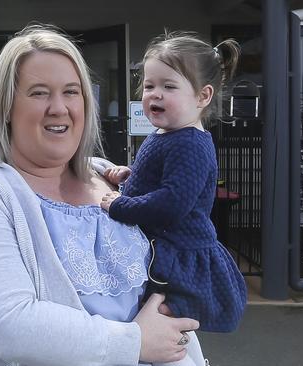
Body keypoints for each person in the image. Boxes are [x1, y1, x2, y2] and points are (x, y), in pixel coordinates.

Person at [0, 25, 207, 366]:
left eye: (71, 91)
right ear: (5, 107)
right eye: (38, 93)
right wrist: (133, 343)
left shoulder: (111, 176)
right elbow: (7, 323)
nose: (59, 107)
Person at [100, 31, 247, 333]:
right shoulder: (169, 134)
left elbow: (171, 204)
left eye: (169, 86)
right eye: (150, 85)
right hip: (163, 245)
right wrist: (128, 175)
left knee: (160, 317)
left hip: (176, 254)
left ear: (202, 96)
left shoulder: (189, 143)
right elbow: (161, 178)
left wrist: (120, 205)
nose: (155, 93)